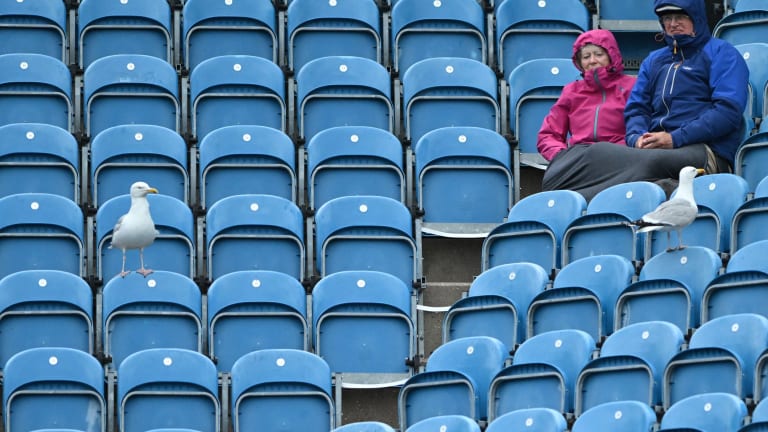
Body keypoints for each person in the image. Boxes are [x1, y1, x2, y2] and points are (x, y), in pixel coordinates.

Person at [541, 0, 749, 201]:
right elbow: (637, 109)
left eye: (680, 17)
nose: (673, 23)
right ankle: (662, 187)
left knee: (640, 160)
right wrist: (636, 138)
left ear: (696, 17)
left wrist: (674, 138)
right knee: (582, 157)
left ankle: (581, 197)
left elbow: (727, 112)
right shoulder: (654, 60)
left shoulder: (722, 53)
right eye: (667, 18)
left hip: (704, 150)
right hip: (654, 149)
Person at [537, 29, 637, 200]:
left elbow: (641, 125)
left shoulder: (632, 86)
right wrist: (562, 156)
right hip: (580, 159)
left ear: (611, 55)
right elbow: (548, 134)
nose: (592, 61)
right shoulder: (571, 91)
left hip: (619, 156)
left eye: (599, 54)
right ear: (579, 62)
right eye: (586, 56)